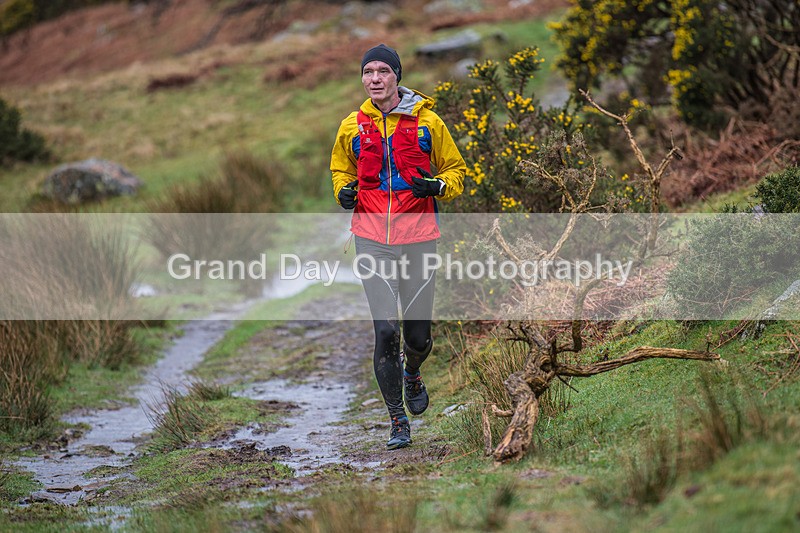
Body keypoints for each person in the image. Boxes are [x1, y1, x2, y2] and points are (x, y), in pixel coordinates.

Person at [330, 44, 466, 449]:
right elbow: (340, 168)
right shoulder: (351, 126)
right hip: (372, 240)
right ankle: (397, 422)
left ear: (396, 76)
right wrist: (343, 191)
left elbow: (456, 170)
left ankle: (413, 373)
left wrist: (439, 186)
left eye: (382, 71)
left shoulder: (428, 122)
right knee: (386, 331)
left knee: (418, 338)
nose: (374, 78)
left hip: (420, 238)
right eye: (368, 72)